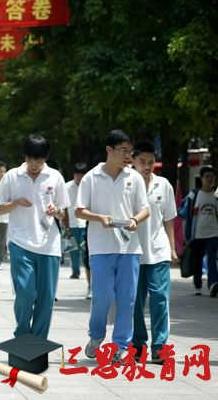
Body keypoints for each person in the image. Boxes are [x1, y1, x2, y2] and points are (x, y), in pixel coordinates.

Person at [75, 129, 150, 363]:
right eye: (124, 150)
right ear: (109, 150)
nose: (128, 156)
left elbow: (145, 209)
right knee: (102, 296)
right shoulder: (91, 177)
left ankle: (121, 346)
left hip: (130, 249)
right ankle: (96, 335)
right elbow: (79, 210)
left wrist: (135, 220)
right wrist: (100, 218)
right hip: (101, 247)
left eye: (130, 151)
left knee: (127, 299)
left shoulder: (134, 177)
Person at [0, 136, 69, 339]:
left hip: (49, 245)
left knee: (46, 299)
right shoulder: (12, 176)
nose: (34, 164)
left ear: (46, 158)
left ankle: (37, 344)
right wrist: (16, 202)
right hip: (20, 242)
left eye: (39, 159)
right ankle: (22, 335)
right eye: (30, 159)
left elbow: (63, 212)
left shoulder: (55, 177)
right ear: (25, 156)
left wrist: (56, 211)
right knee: (25, 294)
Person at [131, 141, 178, 364]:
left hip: (158, 250)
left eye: (151, 162)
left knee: (160, 298)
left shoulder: (163, 184)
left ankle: (159, 347)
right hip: (132, 251)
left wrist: (172, 248)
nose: (147, 166)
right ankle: (138, 344)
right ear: (133, 160)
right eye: (142, 161)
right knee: (135, 302)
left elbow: (168, 220)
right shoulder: (127, 184)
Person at [177, 166, 218, 296]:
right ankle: (198, 285)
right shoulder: (194, 195)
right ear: (201, 178)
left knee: (212, 259)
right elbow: (183, 212)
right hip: (197, 234)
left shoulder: (216, 195)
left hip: (213, 233)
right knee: (197, 260)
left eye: (212, 177)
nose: (210, 179)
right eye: (207, 177)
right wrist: (187, 235)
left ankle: (213, 284)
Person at [64, 162, 89, 280]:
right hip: (72, 224)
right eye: (77, 174)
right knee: (73, 249)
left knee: (85, 250)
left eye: (82, 175)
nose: (79, 177)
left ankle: (88, 271)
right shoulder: (67, 187)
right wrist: (66, 227)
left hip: (85, 224)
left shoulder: (89, 186)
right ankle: (75, 272)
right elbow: (64, 208)